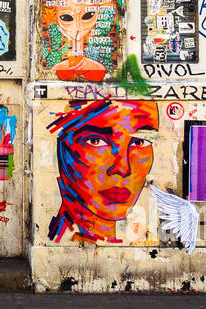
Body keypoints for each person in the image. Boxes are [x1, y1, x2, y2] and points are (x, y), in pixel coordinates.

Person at [46, 99, 158, 244]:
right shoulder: (57, 239)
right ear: (62, 150)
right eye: (95, 141)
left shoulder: (144, 238)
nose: (123, 169)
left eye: (139, 142)